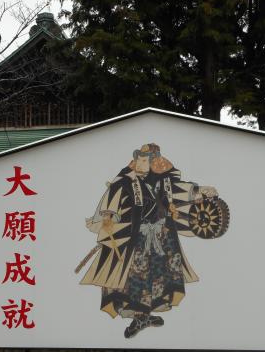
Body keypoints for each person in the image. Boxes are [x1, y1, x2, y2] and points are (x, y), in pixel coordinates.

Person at [80, 143, 218, 338]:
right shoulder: (127, 180)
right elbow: (113, 196)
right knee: (137, 278)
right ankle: (139, 316)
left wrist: (199, 190)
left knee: (159, 275)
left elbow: (178, 190)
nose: (141, 163)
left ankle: (145, 315)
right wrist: (109, 217)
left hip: (162, 235)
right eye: (140, 159)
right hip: (136, 237)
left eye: (146, 160)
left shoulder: (164, 180)